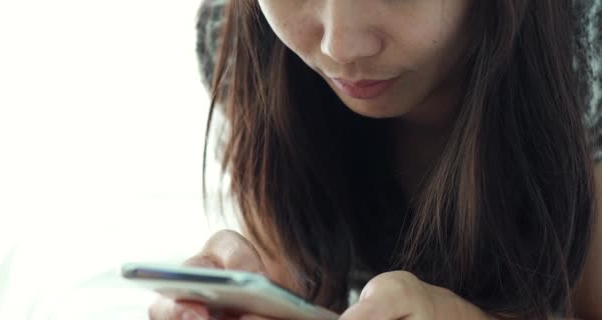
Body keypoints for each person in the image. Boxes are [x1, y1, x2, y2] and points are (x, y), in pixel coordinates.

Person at [151, 0, 602, 319]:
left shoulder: (587, 54)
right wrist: (251, 289)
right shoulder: (248, 44)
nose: (340, 47)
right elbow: (295, 269)